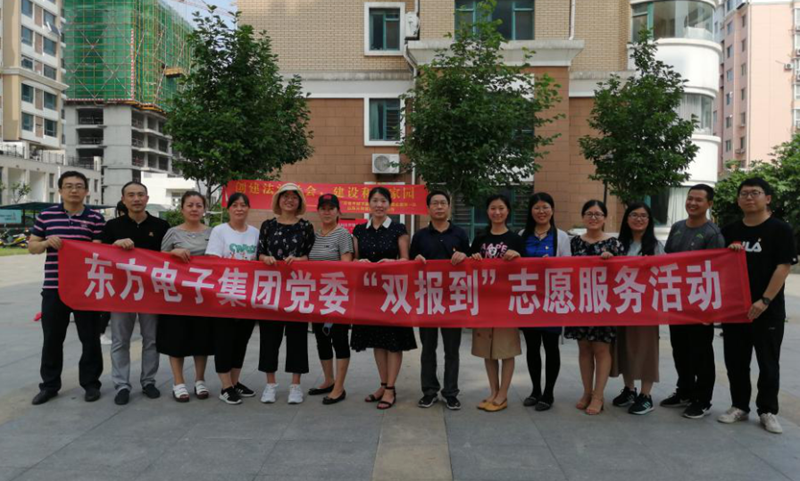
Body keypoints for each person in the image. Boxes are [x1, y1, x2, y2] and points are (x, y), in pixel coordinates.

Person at [719, 178, 796, 434]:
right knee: (736, 361)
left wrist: (764, 300)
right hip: (735, 309)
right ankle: (739, 406)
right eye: (744, 194)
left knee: (768, 363)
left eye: (755, 193)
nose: (749, 197)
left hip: (767, 310)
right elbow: (717, 267)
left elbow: (783, 266)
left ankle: (767, 410)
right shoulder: (729, 231)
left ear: (768, 198)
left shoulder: (780, 229)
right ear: (738, 199)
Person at [28, 171, 106, 405]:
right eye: (69, 186)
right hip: (54, 287)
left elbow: (99, 249)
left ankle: (91, 384)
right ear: (60, 190)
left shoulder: (95, 218)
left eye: (79, 186)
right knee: (52, 338)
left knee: (90, 339)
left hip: (86, 288)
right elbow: (32, 246)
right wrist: (45, 242)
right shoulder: (47, 216)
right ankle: (49, 385)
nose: (74, 190)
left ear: (86, 191)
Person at [101, 181, 170, 405]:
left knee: (151, 340)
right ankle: (121, 385)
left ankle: (148, 381)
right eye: (131, 195)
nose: (136, 199)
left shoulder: (161, 226)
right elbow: (98, 253)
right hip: (121, 292)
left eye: (140, 194)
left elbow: (168, 256)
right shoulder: (112, 226)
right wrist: (114, 245)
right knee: (120, 341)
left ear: (147, 198)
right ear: (123, 199)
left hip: (151, 291)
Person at [662, 184, 725, 419]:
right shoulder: (677, 227)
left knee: (701, 353)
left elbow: (716, 272)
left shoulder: (712, 234)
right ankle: (685, 391)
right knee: (680, 349)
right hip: (677, 301)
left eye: (699, 200)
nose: (692, 203)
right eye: (690, 198)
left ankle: (703, 399)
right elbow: (667, 260)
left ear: (709, 204)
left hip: (700, 303)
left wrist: (711, 311)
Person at [351, 187, 416, 410]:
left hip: (393, 292)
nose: (379, 205)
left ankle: (390, 388)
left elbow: (406, 259)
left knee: (393, 341)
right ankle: (382, 384)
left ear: (389, 204)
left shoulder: (398, 228)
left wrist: (392, 263)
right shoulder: (360, 230)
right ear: (369, 204)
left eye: (383, 201)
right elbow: (354, 259)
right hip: (369, 293)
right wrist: (358, 263)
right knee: (377, 340)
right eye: (375, 201)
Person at [411, 190, 470, 411]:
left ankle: (451, 393)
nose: (439, 207)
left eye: (443, 203)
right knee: (428, 349)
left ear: (449, 207)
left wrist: (464, 256)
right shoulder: (420, 236)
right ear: (428, 208)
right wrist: (415, 259)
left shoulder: (460, 234)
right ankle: (429, 391)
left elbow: (471, 263)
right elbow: (410, 263)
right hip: (427, 299)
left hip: (453, 300)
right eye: (434, 203)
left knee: (452, 350)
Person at [257, 183, 315, 405]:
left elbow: (310, 255)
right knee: (269, 337)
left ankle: (295, 386)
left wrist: (300, 260)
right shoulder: (268, 225)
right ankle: (270, 385)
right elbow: (260, 253)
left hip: (297, 288)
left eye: (294, 197)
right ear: (278, 200)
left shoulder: (306, 227)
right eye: (285, 196)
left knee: (297, 337)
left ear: (300, 201)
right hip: (271, 288)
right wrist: (266, 259)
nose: (289, 200)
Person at [565, 200, 624, 415]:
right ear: (583, 217)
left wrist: (612, 261)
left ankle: (598, 395)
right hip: (579, 303)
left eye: (598, 214)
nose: (593, 217)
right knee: (584, 348)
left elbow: (624, 275)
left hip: (603, 304)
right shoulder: (573, 243)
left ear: (605, 218)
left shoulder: (614, 244)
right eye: (589, 213)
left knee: (601, 349)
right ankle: (587, 392)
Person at [158, 191, 214, 402]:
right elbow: (158, 259)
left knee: (202, 338)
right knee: (176, 338)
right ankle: (178, 382)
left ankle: (200, 380)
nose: (194, 209)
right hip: (177, 296)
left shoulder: (213, 232)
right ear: (182, 209)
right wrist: (173, 253)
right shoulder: (172, 233)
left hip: (203, 295)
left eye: (198, 205)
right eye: (190, 205)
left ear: (204, 209)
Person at [470, 194, 523, 413]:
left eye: (501, 208)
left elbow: (527, 270)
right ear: (487, 211)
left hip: (506, 302)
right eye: (493, 208)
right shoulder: (480, 238)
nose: (497, 212)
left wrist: (518, 256)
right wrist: (473, 259)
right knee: (487, 349)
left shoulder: (515, 239)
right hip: (484, 301)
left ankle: (503, 394)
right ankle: (493, 391)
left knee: (506, 349)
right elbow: (469, 266)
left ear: (508, 211)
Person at [518, 192, 571, 411]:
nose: (541, 212)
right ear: (531, 211)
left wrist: (554, 264)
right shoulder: (522, 235)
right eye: (537, 208)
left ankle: (548, 393)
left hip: (552, 300)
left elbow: (569, 267)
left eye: (545, 207)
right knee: (532, 347)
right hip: (529, 299)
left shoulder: (561, 237)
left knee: (551, 347)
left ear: (552, 210)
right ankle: (535, 390)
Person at [206, 192, 259, 405]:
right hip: (224, 296)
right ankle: (225, 386)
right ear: (228, 208)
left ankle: (235, 382)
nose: (239, 209)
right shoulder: (219, 231)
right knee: (224, 340)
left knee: (241, 341)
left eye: (243, 205)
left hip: (248, 297)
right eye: (235, 205)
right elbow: (213, 261)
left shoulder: (255, 233)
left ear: (248, 209)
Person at [611, 202, 663, 415]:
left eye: (643, 216)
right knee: (624, 346)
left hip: (646, 307)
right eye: (634, 215)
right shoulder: (617, 245)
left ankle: (646, 395)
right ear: (627, 219)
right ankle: (629, 389)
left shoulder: (656, 246)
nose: (638, 219)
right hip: (622, 304)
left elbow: (664, 274)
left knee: (646, 349)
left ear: (649, 221)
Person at [307, 193, 354, 405]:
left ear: (338, 211)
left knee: (339, 339)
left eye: (331, 208)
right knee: (321, 339)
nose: (327, 212)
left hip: (337, 296)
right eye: (323, 208)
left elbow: (347, 265)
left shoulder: (342, 234)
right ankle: (328, 380)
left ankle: (339, 387)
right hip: (317, 297)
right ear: (318, 211)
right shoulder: (314, 236)